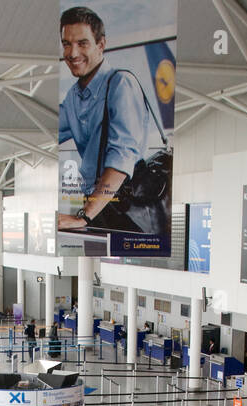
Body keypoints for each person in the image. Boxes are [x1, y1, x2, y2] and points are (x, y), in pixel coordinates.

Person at [56, 5, 152, 234]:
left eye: (82, 43)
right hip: (98, 207)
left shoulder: (121, 84)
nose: (72, 53)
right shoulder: (74, 97)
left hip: (127, 211)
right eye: (67, 44)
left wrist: (84, 216)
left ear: (101, 45)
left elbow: (122, 157)